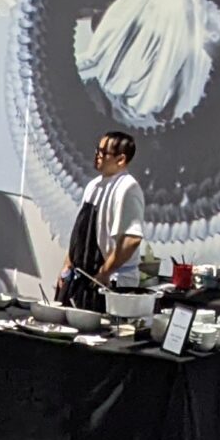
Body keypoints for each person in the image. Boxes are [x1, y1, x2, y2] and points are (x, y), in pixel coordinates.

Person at [56, 130, 145, 312]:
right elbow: (81, 232)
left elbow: (131, 239)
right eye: (97, 150)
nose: (97, 155)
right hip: (81, 278)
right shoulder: (93, 185)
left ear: (121, 159)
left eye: (104, 152)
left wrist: (105, 272)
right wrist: (67, 264)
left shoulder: (128, 188)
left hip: (109, 282)